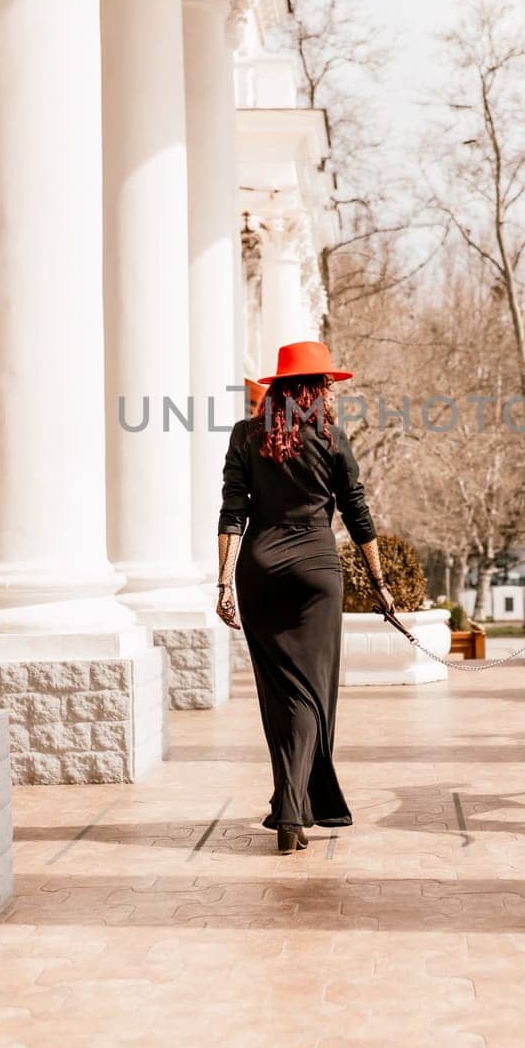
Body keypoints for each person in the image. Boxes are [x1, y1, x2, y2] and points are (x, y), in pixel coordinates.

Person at [216, 341, 394, 854]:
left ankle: (288, 802)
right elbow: (358, 516)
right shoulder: (333, 440)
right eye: (328, 385)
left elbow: (231, 512)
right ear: (312, 389)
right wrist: (380, 584)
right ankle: (294, 811)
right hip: (317, 573)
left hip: (260, 571)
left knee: (279, 695)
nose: (334, 393)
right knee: (312, 695)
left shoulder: (245, 437)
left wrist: (223, 583)